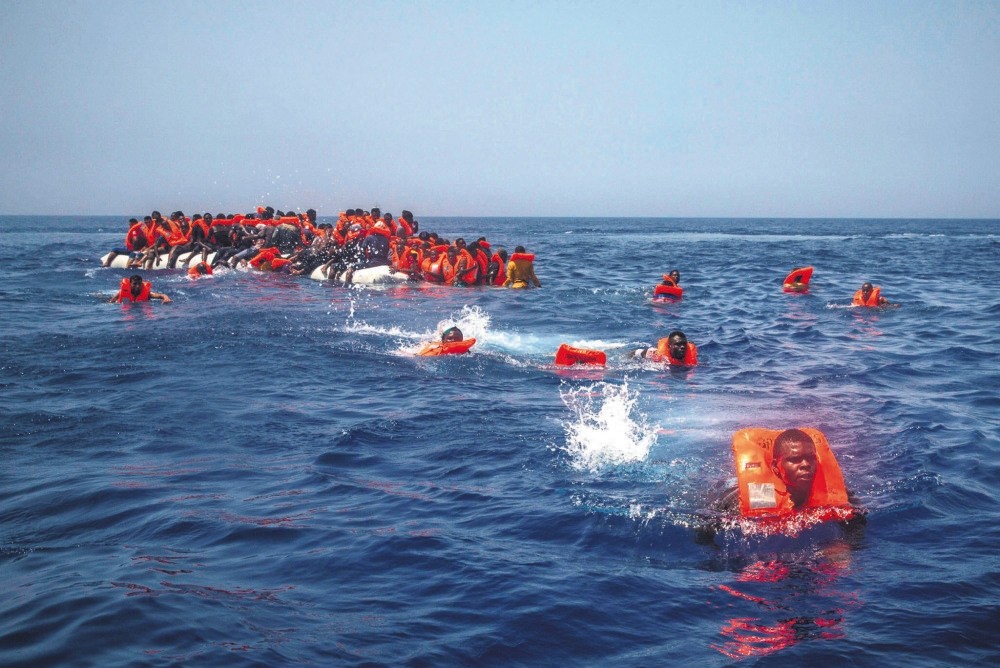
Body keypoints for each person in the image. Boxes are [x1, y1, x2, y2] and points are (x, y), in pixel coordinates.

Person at [711, 428, 863, 525]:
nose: (805, 464)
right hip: (728, 485)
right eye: (795, 459)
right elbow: (708, 524)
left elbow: (858, 521)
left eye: (811, 458)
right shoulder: (748, 498)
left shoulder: (838, 493)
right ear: (775, 467)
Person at [633, 330, 698, 366]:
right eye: (677, 344)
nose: (682, 347)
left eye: (684, 344)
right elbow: (635, 353)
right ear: (669, 346)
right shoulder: (655, 354)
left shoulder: (691, 354)